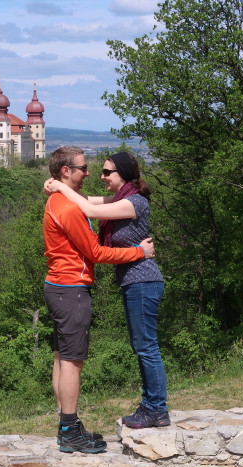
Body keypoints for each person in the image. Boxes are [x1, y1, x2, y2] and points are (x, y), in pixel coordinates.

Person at [45, 151, 169, 429]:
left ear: (122, 174)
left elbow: (89, 211)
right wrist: (55, 184)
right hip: (133, 281)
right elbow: (85, 201)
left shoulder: (134, 202)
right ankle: (152, 406)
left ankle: (156, 407)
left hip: (143, 280)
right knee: (142, 346)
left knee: (146, 347)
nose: (100, 176)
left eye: (106, 172)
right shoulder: (122, 199)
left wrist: (61, 185)